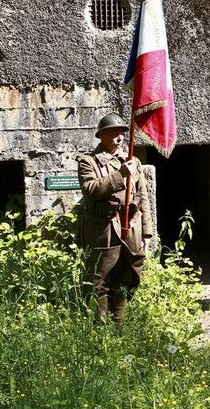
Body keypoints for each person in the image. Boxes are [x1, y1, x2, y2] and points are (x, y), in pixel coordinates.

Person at [76, 113, 152, 326]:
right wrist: (120, 175)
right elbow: (90, 189)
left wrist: (146, 231)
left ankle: (119, 326)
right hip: (103, 227)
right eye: (113, 134)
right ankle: (100, 330)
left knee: (126, 275)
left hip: (130, 226)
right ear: (101, 136)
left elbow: (142, 196)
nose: (119, 138)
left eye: (121, 134)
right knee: (100, 279)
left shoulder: (132, 161)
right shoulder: (88, 161)